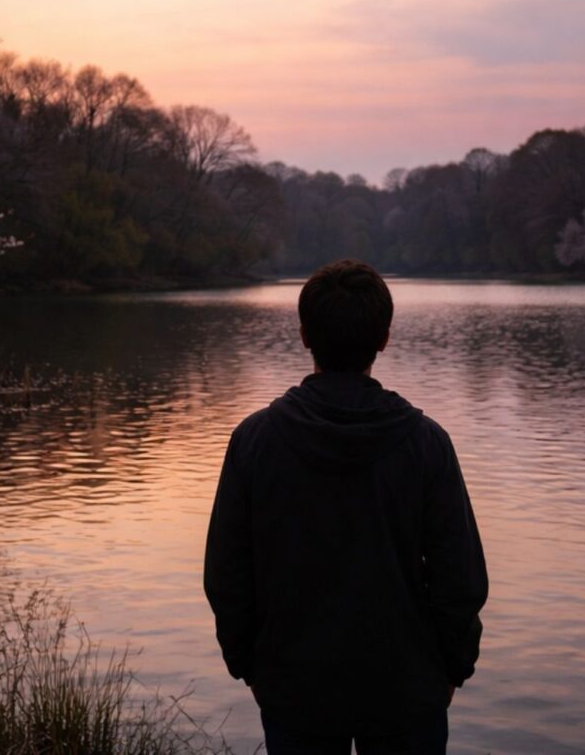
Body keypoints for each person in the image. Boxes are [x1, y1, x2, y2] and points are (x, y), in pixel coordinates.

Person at [204, 259, 488, 755]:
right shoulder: (426, 444)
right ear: (384, 338)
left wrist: (251, 666)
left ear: (303, 335)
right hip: (406, 689)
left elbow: (227, 575)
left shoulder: (255, 441)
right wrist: (451, 670)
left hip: (296, 689)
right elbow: (459, 581)